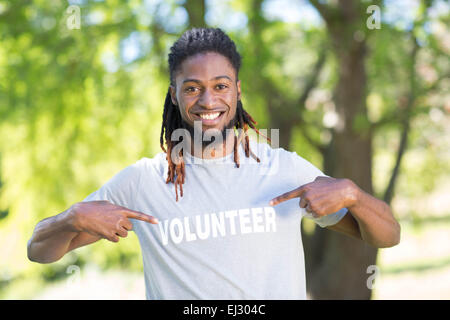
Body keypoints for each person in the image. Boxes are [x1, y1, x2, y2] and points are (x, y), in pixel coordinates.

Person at [27, 28, 400, 299]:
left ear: (237, 91)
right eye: (192, 88)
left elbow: (387, 235)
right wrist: (72, 217)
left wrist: (353, 195)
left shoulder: (283, 170)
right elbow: (39, 251)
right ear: (174, 95)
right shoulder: (143, 182)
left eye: (220, 86)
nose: (208, 100)